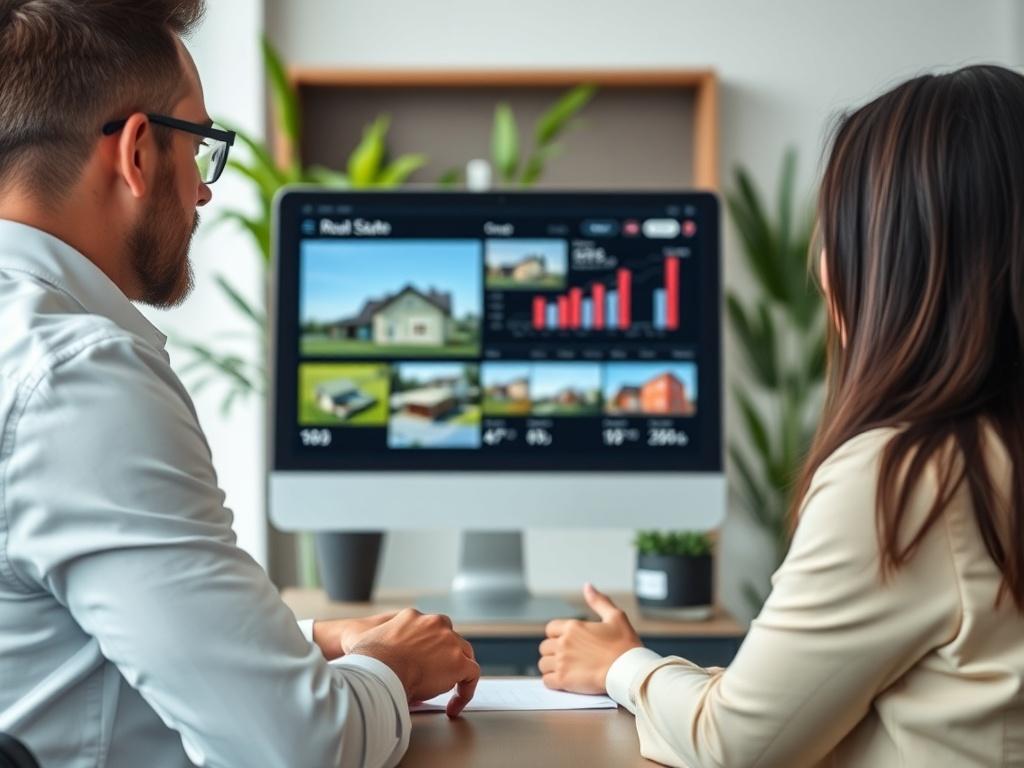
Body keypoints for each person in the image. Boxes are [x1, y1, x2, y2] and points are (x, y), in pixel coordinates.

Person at [0, 2, 478, 766]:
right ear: (136, 154)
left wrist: (309, 642)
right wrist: (392, 670)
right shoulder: (78, 377)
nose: (204, 192)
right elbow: (294, 750)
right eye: (199, 146)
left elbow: (71, 633)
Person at [540, 64, 1024, 767]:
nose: (824, 266)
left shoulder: (915, 475)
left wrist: (623, 666)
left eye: (840, 234)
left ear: (892, 265)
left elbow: (735, 746)